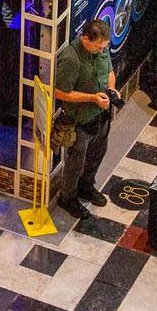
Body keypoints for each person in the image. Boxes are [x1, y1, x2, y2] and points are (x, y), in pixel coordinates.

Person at [51, 17, 117, 221]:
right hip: (79, 120)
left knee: (98, 152)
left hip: (101, 116)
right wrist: (92, 98)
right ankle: (68, 197)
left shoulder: (102, 49)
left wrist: (111, 90)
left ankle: (86, 185)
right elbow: (60, 92)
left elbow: (110, 71)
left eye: (104, 47)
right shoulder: (72, 58)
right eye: (98, 47)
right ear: (86, 39)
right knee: (75, 162)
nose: (101, 50)